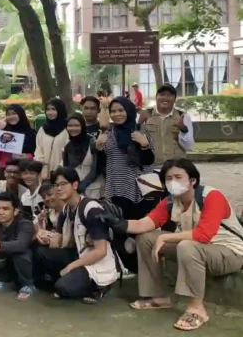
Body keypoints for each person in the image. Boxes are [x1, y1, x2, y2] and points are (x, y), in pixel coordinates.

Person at [102, 159, 243, 331]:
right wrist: (116, 223)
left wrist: (166, 238)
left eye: (178, 177)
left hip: (229, 252)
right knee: (146, 237)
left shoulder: (211, 197)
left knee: (186, 245)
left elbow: (204, 235)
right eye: (168, 178)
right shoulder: (170, 202)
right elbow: (144, 224)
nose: (173, 182)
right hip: (197, 249)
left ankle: (196, 309)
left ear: (193, 181)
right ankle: (158, 296)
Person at [40, 167, 120, 304]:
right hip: (78, 254)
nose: (58, 189)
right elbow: (56, 243)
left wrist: (71, 267)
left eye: (63, 184)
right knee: (41, 253)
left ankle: (99, 287)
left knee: (63, 287)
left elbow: (101, 251)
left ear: (75, 185)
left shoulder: (91, 209)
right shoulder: (66, 209)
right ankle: (72, 281)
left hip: (97, 261)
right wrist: (43, 234)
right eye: (56, 185)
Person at [96, 97, 155, 220]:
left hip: (139, 189)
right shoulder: (108, 133)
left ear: (129, 110)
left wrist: (144, 145)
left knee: (138, 228)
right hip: (115, 188)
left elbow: (148, 161)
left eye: (121, 110)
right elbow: (103, 161)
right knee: (119, 228)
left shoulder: (141, 131)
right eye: (113, 111)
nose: (117, 114)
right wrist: (98, 147)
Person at [139, 84, 194, 166]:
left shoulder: (182, 116)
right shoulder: (145, 115)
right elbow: (135, 140)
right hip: (151, 166)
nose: (165, 98)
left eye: (169, 95)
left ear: (175, 99)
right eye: (162, 94)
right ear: (156, 97)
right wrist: (139, 124)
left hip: (176, 166)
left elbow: (188, 146)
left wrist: (183, 129)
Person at [63, 114, 103, 199]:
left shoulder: (92, 142)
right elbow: (66, 169)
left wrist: (81, 186)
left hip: (93, 190)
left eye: (77, 125)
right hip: (76, 191)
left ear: (82, 126)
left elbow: (96, 169)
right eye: (70, 125)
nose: (73, 128)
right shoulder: (68, 146)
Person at [35, 98, 69, 180]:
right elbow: (39, 150)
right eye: (48, 109)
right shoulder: (43, 129)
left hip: (62, 173)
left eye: (53, 109)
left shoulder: (67, 129)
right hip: (43, 174)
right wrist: (41, 165)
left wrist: (59, 169)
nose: (50, 112)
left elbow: (68, 152)